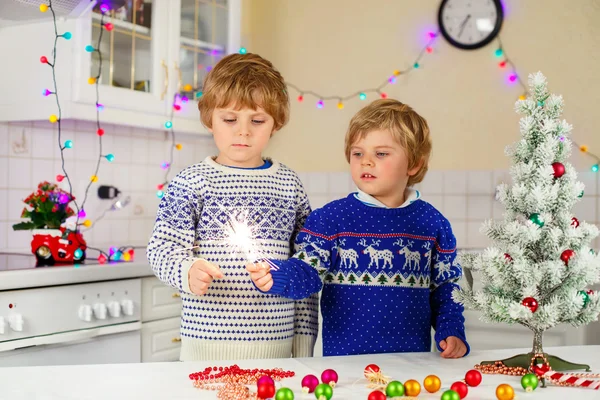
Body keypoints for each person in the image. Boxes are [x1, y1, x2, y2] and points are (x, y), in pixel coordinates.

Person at [248, 99, 470, 358]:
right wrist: (276, 274)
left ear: (414, 164)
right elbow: (307, 272)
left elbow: (447, 290)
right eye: (358, 153)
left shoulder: (433, 224)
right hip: (346, 366)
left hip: (413, 366)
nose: (366, 162)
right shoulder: (330, 219)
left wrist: (452, 330)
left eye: (381, 153)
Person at [147, 53, 318, 361]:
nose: (243, 131)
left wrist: (304, 346)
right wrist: (187, 270)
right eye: (229, 119)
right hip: (204, 350)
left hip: (276, 351)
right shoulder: (191, 182)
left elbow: (308, 267)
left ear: (275, 124)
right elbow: (161, 249)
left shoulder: (289, 185)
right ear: (209, 119)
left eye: (257, 120)